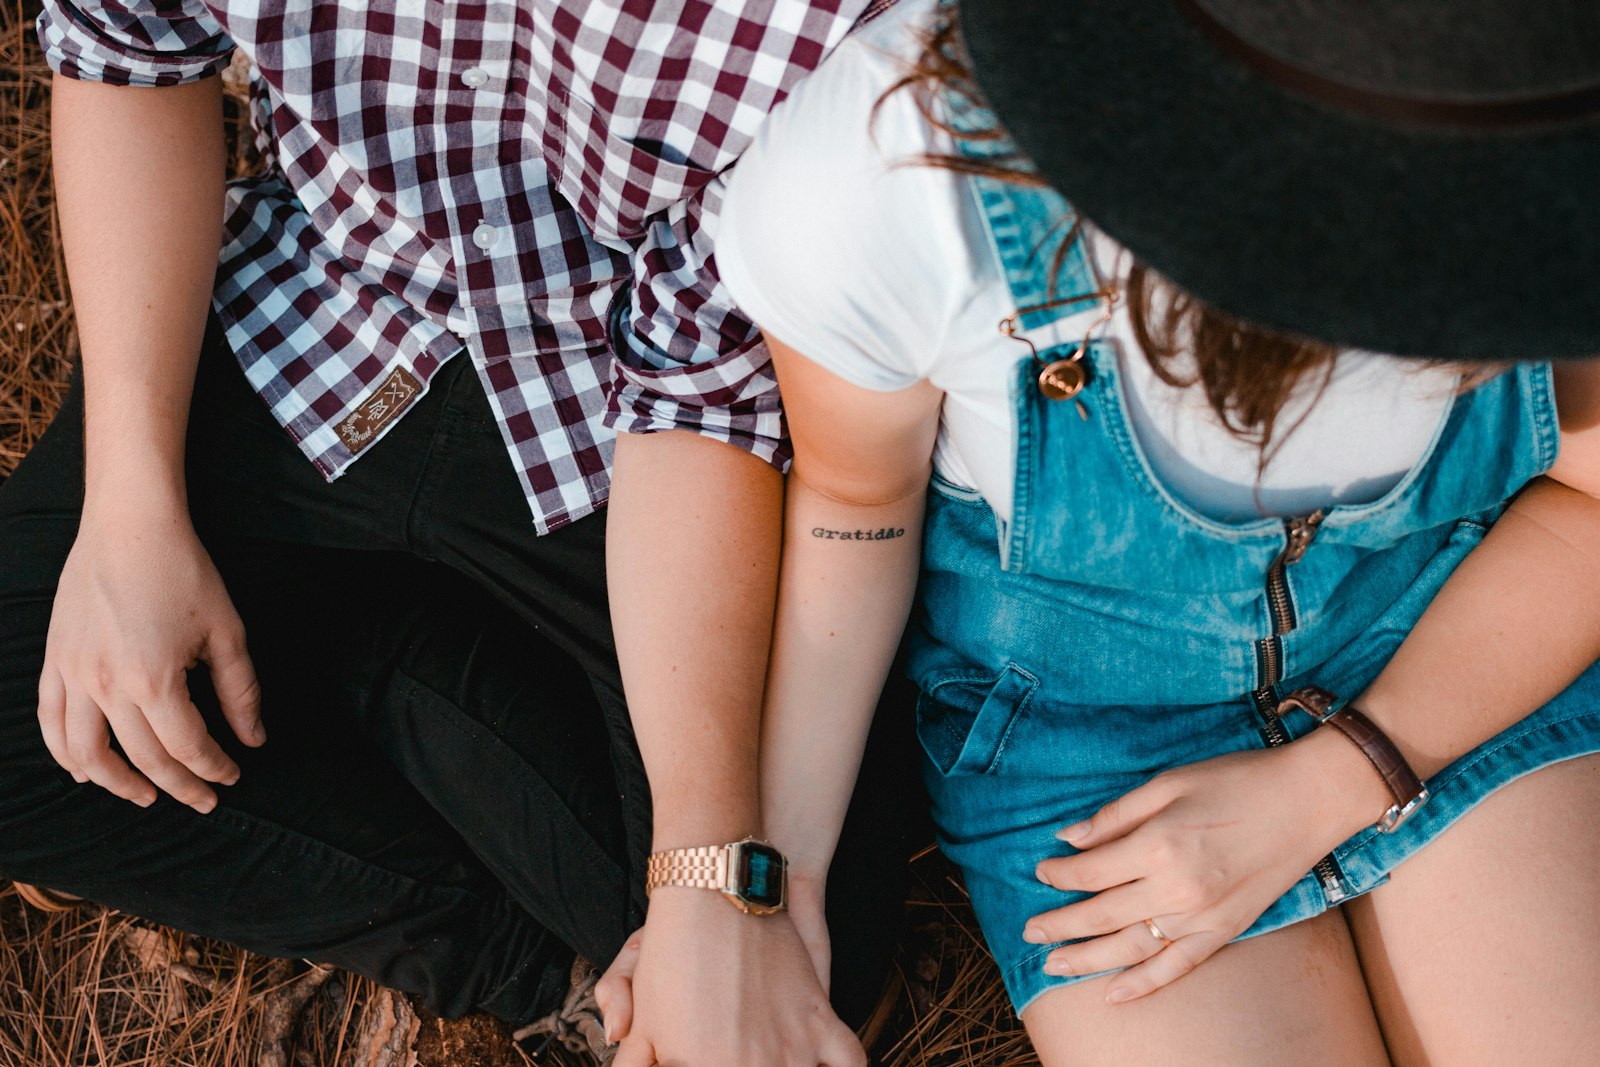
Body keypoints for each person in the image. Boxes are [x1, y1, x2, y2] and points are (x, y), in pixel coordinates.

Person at [0, 1, 918, 1062]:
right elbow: (127, 57)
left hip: (633, 435)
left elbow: (696, 398)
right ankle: (553, 973)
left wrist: (704, 873)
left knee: (803, 962)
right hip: (322, 315)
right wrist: (130, 508)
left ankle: (364, 679)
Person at [691, 0, 1600, 1062]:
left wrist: (1342, 775)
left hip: (1462, 631)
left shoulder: (1557, 110)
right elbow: (855, 512)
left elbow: (1587, 500)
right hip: (1089, 746)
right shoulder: (893, 179)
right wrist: (776, 885)